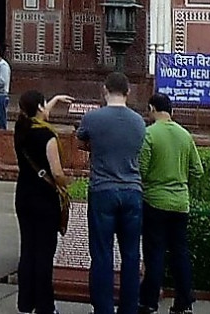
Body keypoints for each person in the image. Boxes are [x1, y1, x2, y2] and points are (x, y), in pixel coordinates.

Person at [78, 70, 146, 314]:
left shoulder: (93, 118)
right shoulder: (139, 122)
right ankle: (129, 308)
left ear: (104, 90)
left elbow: (80, 141)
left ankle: (103, 308)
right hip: (132, 190)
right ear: (128, 92)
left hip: (103, 189)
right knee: (130, 255)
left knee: (102, 253)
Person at [14, 89, 74, 314]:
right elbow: (56, 173)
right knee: (44, 254)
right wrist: (69, 183)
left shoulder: (22, 128)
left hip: (24, 194)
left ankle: (25, 303)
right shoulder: (47, 137)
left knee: (28, 249)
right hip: (43, 199)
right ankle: (45, 306)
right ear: (39, 107)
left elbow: (39, 113)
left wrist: (56, 100)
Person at [138, 92, 198, 314]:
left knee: (155, 254)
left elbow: (141, 171)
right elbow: (197, 170)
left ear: (152, 108)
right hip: (181, 203)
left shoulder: (149, 135)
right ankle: (184, 303)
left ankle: (149, 303)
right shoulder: (185, 135)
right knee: (180, 253)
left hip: (154, 201)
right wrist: (180, 182)